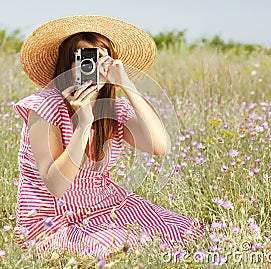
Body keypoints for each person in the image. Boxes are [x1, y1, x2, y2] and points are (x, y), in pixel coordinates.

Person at [13, 15, 205, 259]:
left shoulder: (113, 108)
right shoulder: (43, 108)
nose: (93, 66)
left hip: (107, 205)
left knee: (186, 232)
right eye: (84, 58)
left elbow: (160, 146)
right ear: (67, 65)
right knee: (120, 245)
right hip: (53, 221)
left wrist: (126, 84)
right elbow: (56, 185)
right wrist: (83, 125)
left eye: (101, 57)